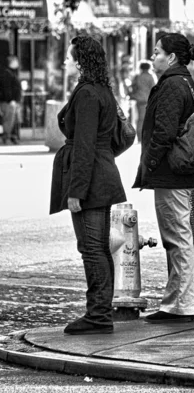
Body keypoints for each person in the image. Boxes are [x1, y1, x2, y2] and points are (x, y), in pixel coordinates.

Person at [50, 35, 126, 335]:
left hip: (92, 180)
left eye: (69, 57)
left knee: (91, 248)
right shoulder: (101, 90)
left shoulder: (87, 94)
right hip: (101, 174)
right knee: (97, 248)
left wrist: (75, 192)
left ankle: (97, 315)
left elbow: (83, 146)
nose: (65, 62)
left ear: (80, 62)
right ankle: (99, 312)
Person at [132, 32, 194, 324]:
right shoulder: (181, 80)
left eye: (157, 52)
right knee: (176, 237)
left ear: (171, 57)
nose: (153, 57)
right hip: (173, 173)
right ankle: (176, 302)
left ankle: (181, 305)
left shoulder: (172, 84)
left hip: (169, 173)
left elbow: (164, 131)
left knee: (177, 238)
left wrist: (150, 163)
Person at [129, 60, 155, 142]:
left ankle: (139, 136)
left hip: (139, 100)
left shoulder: (137, 77)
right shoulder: (151, 77)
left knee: (140, 119)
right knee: (148, 119)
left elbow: (132, 87)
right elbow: (154, 88)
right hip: (148, 100)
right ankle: (146, 136)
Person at [0, 55, 22, 145]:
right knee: (9, 120)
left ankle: (11, 138)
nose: (17, 62)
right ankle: (6, 138)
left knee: (12, 121)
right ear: (11, 62)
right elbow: (7, 88)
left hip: (12, 102)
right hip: (9, 102)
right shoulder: (7, 73)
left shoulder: (10, 72)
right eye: (15, 61)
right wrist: (11, 100)